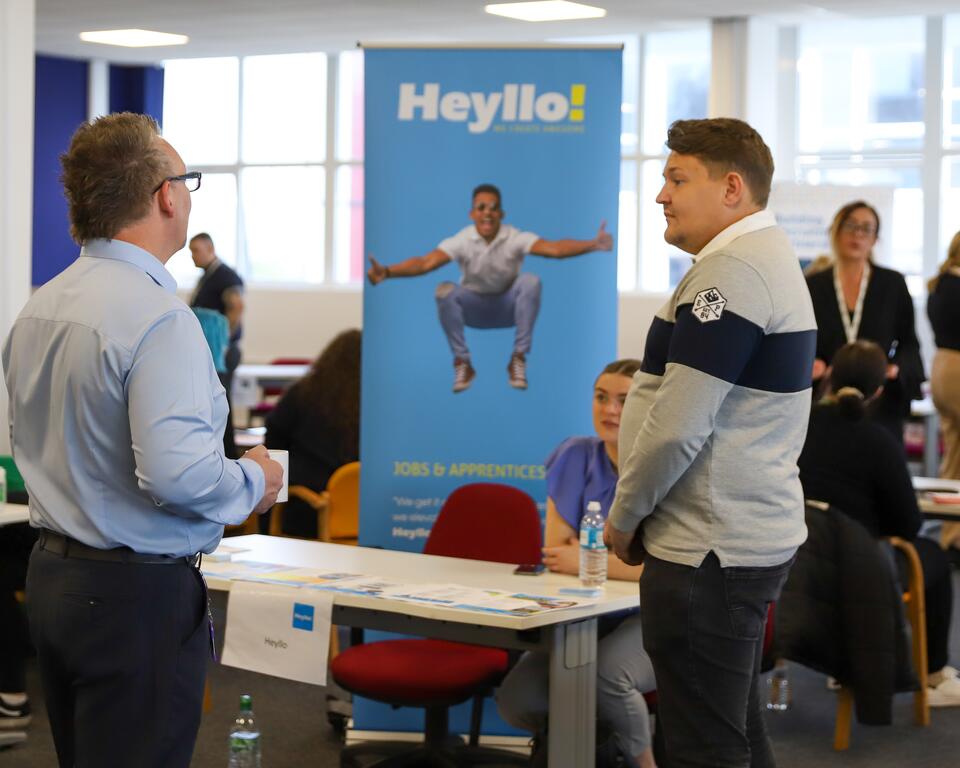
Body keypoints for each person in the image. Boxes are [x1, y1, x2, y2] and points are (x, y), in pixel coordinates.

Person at [1, 112, 283, 768]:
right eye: (188, 181)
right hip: (133, 597)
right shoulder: (159, 318)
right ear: (165, 195)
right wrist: (256, 482)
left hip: (54, 579)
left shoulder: (40, 306)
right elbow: (177, 476)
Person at [605, 117, 816, 768]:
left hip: (707, 550)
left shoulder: (732, 275)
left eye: (676, 178)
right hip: (729, 541)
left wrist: (623, 519)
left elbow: (676, 427)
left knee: (702, 747)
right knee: (732, 735)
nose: (662, 195)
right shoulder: (754, 260)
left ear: (732, 189)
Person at [496, 359, 656, 768]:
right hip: (586, 612)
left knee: (607, 676)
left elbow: (659, 571)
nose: (610, 410)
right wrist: (620, 561)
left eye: (624, 399)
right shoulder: (574, 456)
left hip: (654, 614)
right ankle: (592, 748)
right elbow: (555, 555)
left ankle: (644, 762)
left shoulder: (663, 466)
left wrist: (584, 556)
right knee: (518, 699)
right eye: (601, 397)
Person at [797, 340, 960, 706]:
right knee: (931, 555)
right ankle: (933, 675)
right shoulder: (877, 440)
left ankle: (845, 659)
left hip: (797, 565)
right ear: (880, 390)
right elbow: (907, 524)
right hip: (860, 571)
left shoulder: (799, 427)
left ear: (830, 377)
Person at [366, 183, 613, 393]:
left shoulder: (514, 238)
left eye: (494, 208)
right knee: (443, 290)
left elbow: (554, 249)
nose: (488, 213)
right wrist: (387, 272)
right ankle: (462, 362)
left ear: (502, 214)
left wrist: (593, 244)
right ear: (472, 214)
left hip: (508, 309)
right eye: (481, 208)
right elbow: (426, 263)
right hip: (473, 310)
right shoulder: (461, 240)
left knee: (531, 281)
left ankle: (518, 357)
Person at [805, 201, 925, 444]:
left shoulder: (892, 284)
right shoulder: (814, 285)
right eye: (850, 226)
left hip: (877, 400)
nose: (857, 235)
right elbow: (798, 338)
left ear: (875, 239)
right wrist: (808, 363)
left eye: (866, 229)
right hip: (825, 399)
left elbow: (909, 342)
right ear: (836, 231)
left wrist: (896, 367)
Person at [265, 329, 361, 538]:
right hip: (363, 515)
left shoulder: (302, 394)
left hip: (304, 512)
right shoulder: (376, 402)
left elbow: (273, 441)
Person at [190, 232, 245, 457]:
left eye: (196, 251)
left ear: (210, 249)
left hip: (222, 352)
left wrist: (224, 341)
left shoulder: (225, 276)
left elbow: (237, 307)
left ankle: (228, 455)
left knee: (220, 404)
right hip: (210, 352)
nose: (193, 257)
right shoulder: (207, 276)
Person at [927, 230, 960, 552]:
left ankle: (952, 536)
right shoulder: (956, 286)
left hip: (942, 368)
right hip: (957, 368)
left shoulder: (941, 284)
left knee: (954, 455)